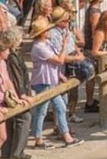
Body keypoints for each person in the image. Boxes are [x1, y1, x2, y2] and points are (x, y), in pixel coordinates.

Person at [28, 18, 84, 148]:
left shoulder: (47, 43)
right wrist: (65, 45)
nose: (49, 31)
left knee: (61, 107)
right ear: (41, 33)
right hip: (43, 82)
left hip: (51, 81)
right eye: (47, 29)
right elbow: (59, 60)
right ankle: (39, 139)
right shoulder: (39, 47)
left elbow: (51, 64)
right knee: (42, 111)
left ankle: (65, 136)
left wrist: (59, 75)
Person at [1, 28, 32, 159]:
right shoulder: (12, 57)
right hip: (2, 103)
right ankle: (17, 152)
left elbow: (8, 81)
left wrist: (16, 98)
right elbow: (17, 78)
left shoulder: (4, 62)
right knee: (24, 117)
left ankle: (9, 152)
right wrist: (22, 94)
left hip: (6, 99)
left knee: (3, 136)